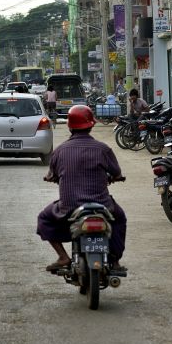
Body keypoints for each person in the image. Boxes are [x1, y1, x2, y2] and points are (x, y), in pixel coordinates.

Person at [36, 105, 127, 271]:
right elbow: (117, 173)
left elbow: (52, 174)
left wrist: (52, 177)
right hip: (102, 206)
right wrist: (115, 178)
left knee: (43, 218)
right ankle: (114, 261)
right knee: (119, 219)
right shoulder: (103, 149)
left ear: (70, 126)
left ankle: (63, 257)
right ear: (91, 125)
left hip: (69, 207)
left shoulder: (60, 151)